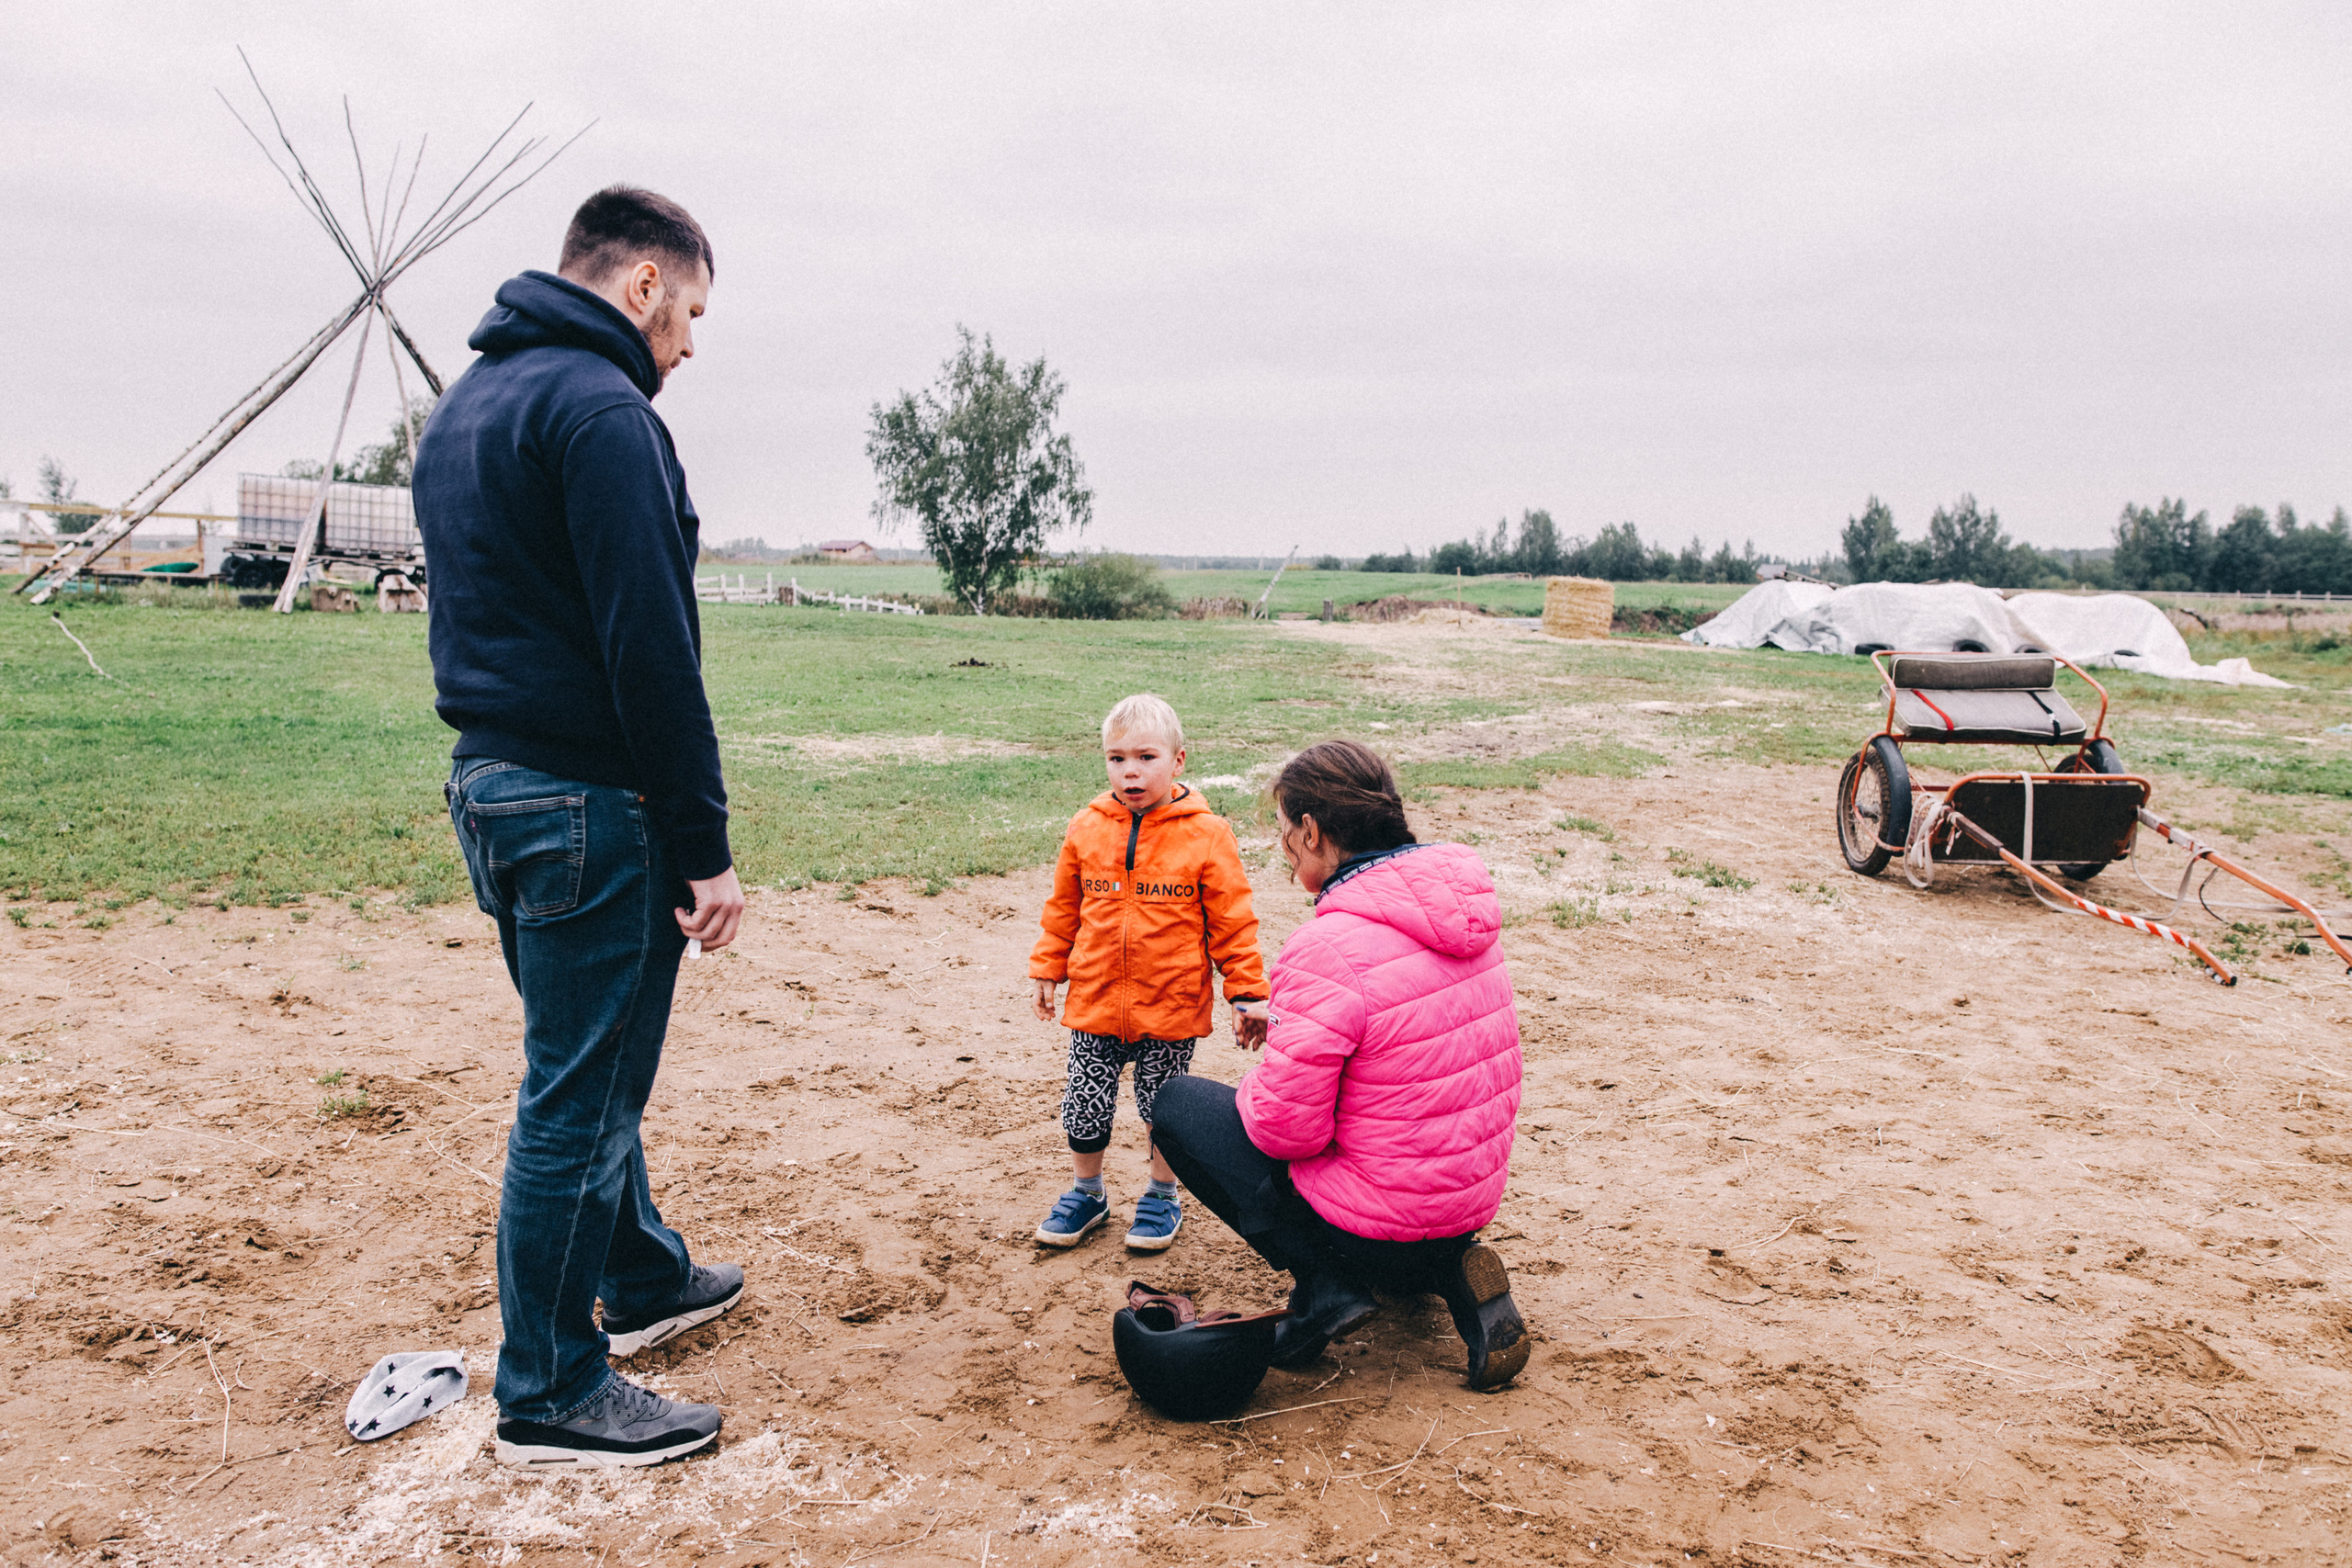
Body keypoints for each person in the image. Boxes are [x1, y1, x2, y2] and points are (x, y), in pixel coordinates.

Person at [413, 186, 749, 1468]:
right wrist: (703, 841)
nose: (690, 347)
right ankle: (552, 1381)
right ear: (643, 283)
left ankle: (641, 1268)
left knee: (586, 1055)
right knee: (578, 1092)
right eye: (692, 313)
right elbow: (647, 647)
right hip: (584, 802)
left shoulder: (468, 404)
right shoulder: (601, 409)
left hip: (493, 782)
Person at [1151, 739, 1531, 1392]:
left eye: (1285, 834)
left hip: (1376, 1223)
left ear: (1312, 830)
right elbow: (1410, 1032)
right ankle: (1449, 1268)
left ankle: (1330, 1283)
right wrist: (1302, 1028)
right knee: (1401, 1144)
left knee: (1180, 1104)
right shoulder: (1463, 914)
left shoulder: (1327, 944)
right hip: (1464, 1198)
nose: (1284, 849)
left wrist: (1269, 1071)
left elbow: (1285, 1131)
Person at [1028, 694, 1270, 1250]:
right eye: (1116, 759)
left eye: (1145, 757)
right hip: (1095, 997)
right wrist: (1048, 965)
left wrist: (1247, 993)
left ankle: (1162, 1195)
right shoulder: (1086, 827)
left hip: (1171, 1003)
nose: (1130, 771)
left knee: (1164, 1108)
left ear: (1178, 761)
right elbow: (1064, 906)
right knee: (1084, 1101)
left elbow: (1232, 923)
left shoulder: (1207, 834)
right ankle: (1087, 1192)